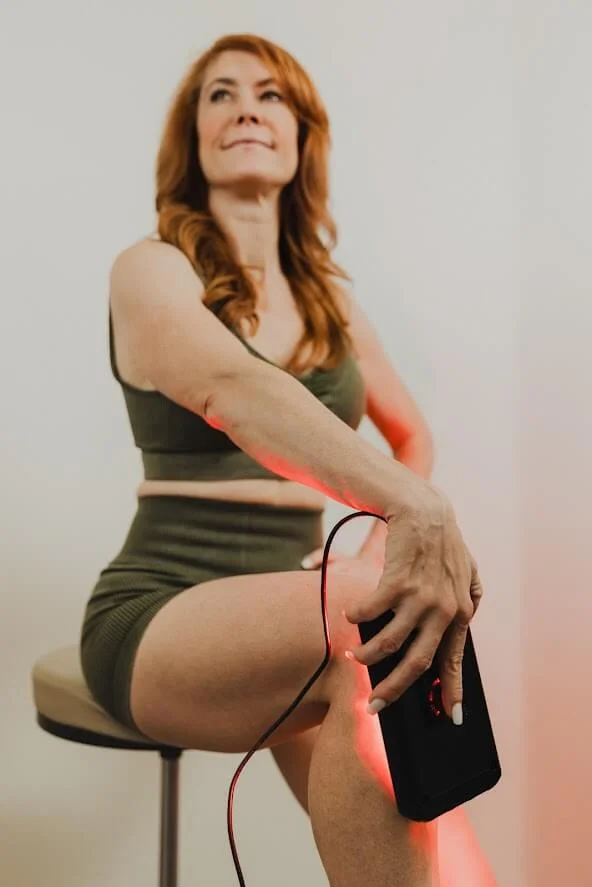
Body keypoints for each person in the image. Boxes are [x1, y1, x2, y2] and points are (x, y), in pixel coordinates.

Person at [80, 33, 496, 886]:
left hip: (311, 609)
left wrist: (377, 545)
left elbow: (411, 434)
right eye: (220, 95)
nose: (246, 109)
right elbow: (230, 385)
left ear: (301, 136)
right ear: (191, 139)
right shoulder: (152, 271)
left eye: (270, 96)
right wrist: (419, 511)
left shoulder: (330, 303)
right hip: (162, 608)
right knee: (367, 622)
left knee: (445, 843)